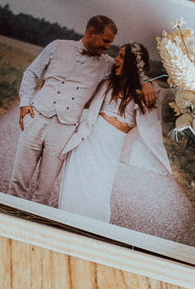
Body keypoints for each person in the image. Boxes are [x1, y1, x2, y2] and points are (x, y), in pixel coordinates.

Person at [7, 16, 154, 206]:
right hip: (37, 118)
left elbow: (131, 68)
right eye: (106, 40)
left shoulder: (106, 64)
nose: (108, 47)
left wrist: (146, 82)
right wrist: (25, 103)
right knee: (18, 182)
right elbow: (31, 72)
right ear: (91, 33)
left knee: (44, 191)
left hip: (64, 130)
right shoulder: (57, 46)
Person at [58, 41, 172, 223]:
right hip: (89, 140)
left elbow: (175, 95)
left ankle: (90, 233)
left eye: (120, 56)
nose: (116, 59)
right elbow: (96, 58)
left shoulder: (151, 91)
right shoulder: (109, 79)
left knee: (99, 192)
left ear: (131, 63)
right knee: (75, 187)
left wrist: (146, 81)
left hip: (112, 149)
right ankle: (65, 225)